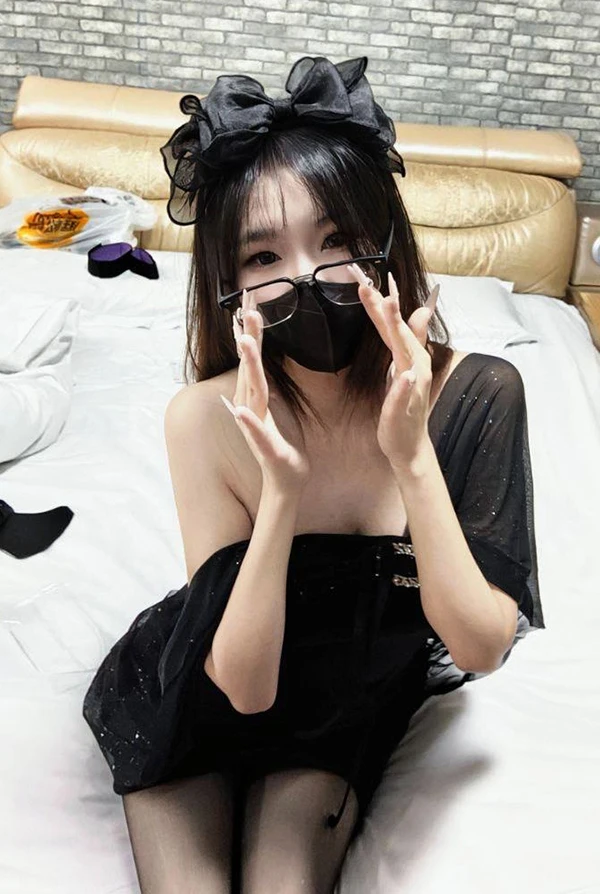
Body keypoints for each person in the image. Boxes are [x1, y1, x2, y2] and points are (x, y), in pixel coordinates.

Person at [82, 55, 545, 894]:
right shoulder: (205, 418)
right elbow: (243, 687)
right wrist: (282, 494)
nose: (305, 276)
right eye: (262, 255)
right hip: (204, 694)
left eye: (336, 241)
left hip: (342, 714)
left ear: (384, 241)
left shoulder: (478, 395)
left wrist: (411, 457)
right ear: (229, 285)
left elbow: (478, 646)